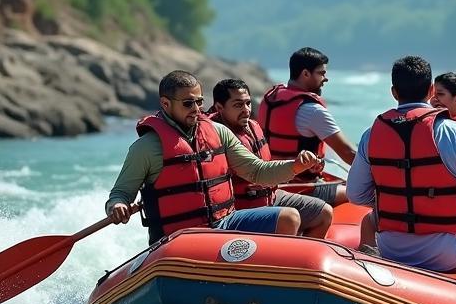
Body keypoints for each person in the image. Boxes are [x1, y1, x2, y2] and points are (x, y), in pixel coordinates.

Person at [346, 55, 456, 273]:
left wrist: (395, 200)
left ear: (394, 92)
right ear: (430, 91)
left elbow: (355, 195)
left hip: (391, 250)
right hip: (451, 256)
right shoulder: (455, 132)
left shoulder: (370, 136)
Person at [106, 70, 322, 244]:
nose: (197, 109)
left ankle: (275, 284)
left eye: (199, 102)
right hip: (179, 238)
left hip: (225, 223)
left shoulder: (218, 132)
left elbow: (257, 171)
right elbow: (120, 193)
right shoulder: (146, 148)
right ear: (165, 103)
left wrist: (295, 166)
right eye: (188, 103)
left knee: (289, 217)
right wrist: (117, 205)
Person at [209, 78, 333, 239]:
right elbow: (255, 172)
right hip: (242, 206)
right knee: (289, 217)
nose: (246, 110)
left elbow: (267, 164)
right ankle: (278, 261)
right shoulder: (214, 136)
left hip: (270, 195)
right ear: (220, 108)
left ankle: (302, 260)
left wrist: (304, 165)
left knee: (323, 213)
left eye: (248, 103)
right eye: (238, 105)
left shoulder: (252, 126)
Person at [257, 47, 357, 206]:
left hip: (272, 183)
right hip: (301, 188)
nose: (326, 79)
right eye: (321, 73)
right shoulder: (311, 110)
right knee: (365, 193)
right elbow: (348, 152)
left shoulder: (270, 99)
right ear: (305, 74)